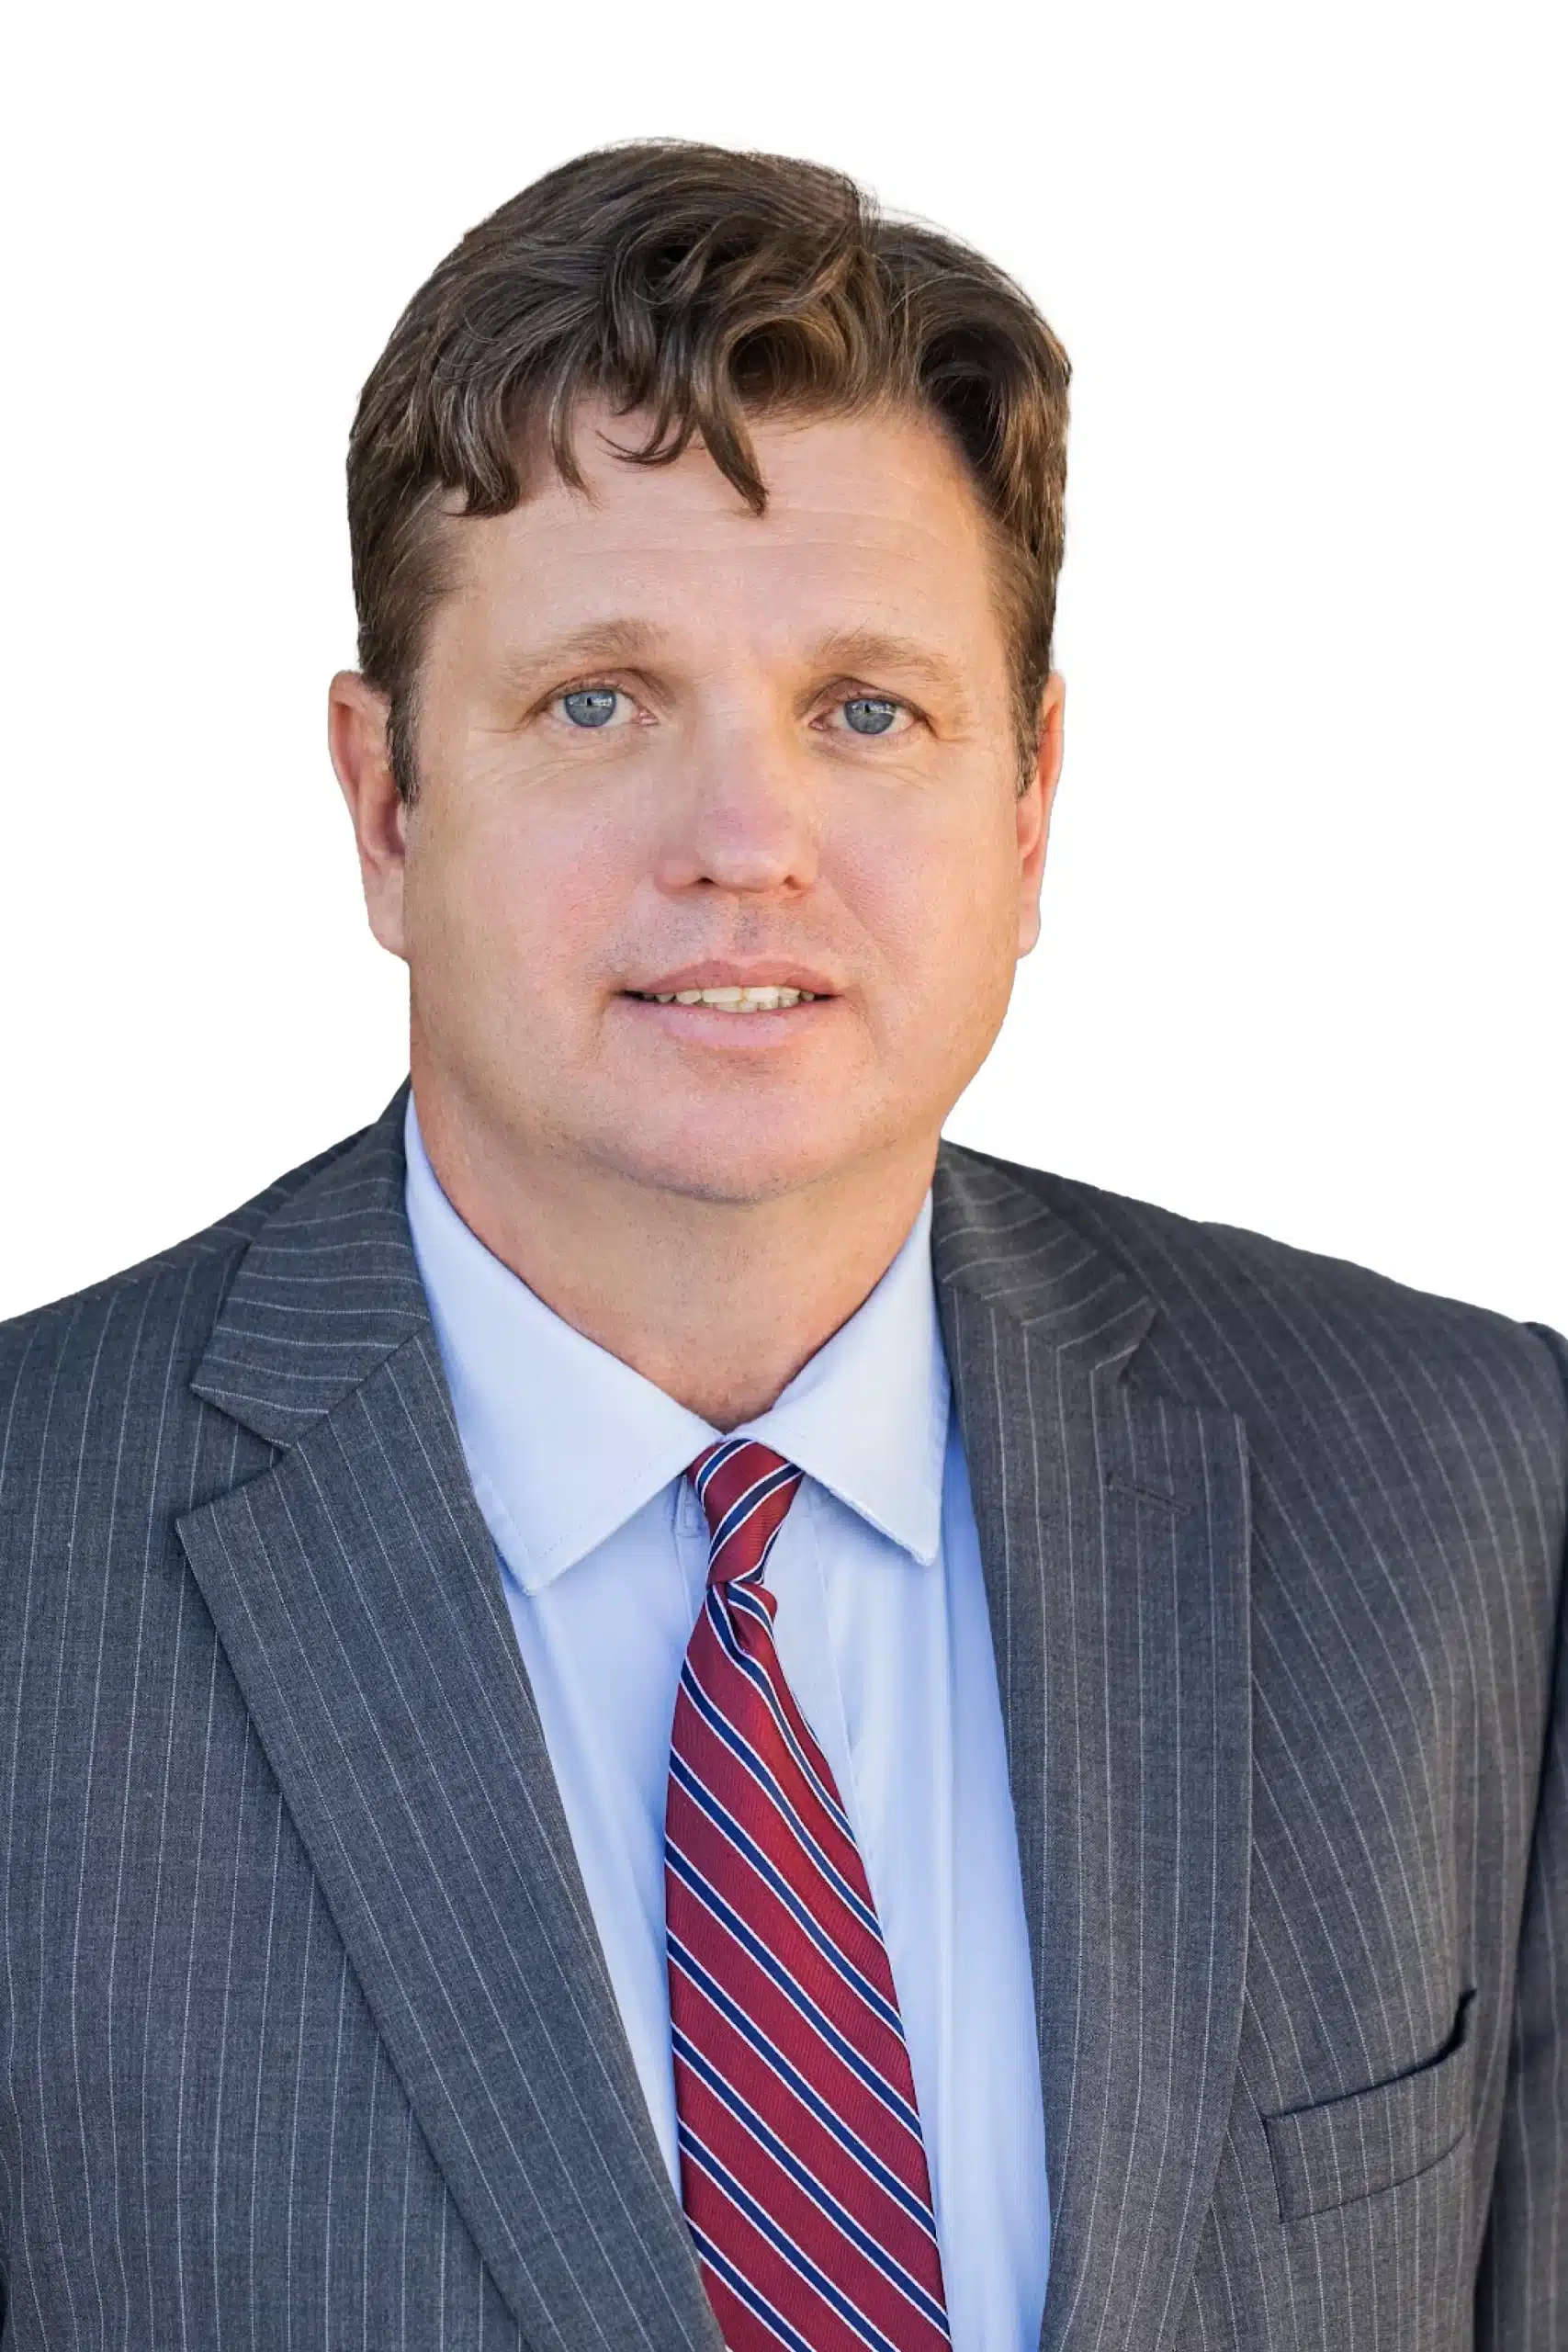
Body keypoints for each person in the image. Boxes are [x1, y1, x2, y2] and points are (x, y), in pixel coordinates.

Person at [0, 138, 1562, 2352]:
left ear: (1027, 806)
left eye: (864, 711)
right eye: (598, 702)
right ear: (383, 803)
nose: (746, 844)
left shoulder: (1466, 1495)